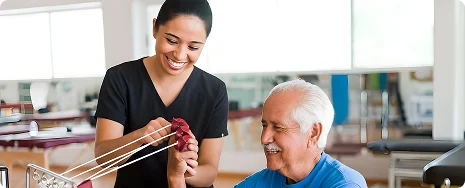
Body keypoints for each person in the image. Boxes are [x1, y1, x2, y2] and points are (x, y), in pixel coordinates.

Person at [93, 0, 228, 187]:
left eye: (193, 47)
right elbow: (103, 157)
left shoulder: (215, 90)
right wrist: (139, 136)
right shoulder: (120, 78)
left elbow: (210, 171)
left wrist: (182, 170)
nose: (180, 55)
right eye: (172, 41)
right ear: (155, 28)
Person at [235, 79, 367, 188]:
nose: (264, 138)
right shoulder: (257, 183)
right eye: (264, 125)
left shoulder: (345, 184)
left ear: (313, 133)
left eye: (278, 127)